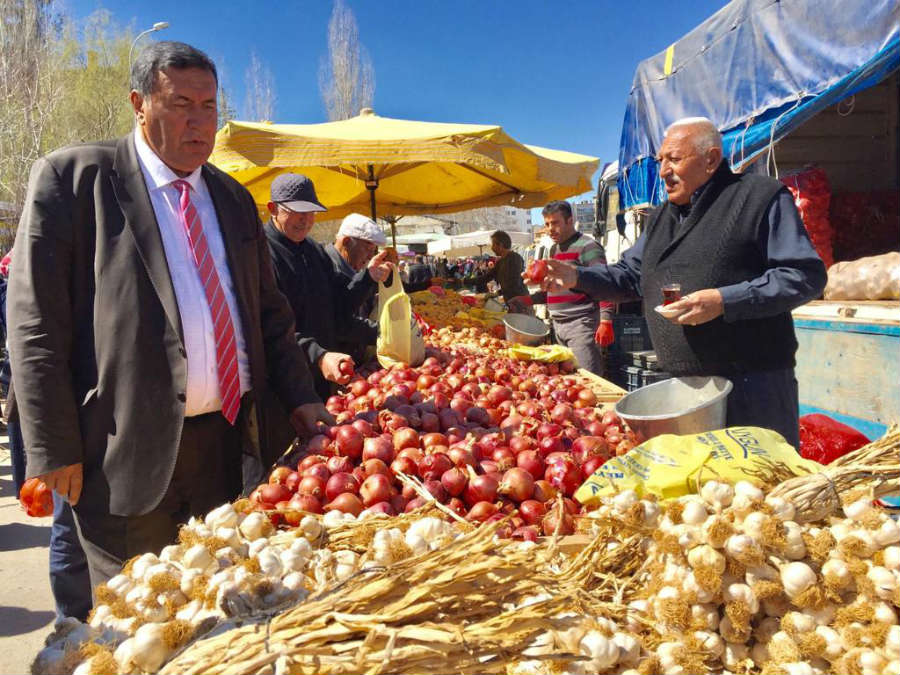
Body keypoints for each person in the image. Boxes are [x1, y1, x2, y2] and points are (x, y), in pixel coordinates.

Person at [8, 41, 332, 591]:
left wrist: (303, 398)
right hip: (122, 451)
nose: (199, 122)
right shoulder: (75, 180)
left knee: (219, 609)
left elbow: (270, 315)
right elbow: (35, 324)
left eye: (209, 107)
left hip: (226, 449)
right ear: (139, 104)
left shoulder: (232, 199)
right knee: (138, 619)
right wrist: (52, 446)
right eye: (181, 104)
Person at [540, 117, 827, 448]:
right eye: (661, 160)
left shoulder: (758, 197)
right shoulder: (662, 217)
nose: (662, 171)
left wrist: (724, 301)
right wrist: (576, 277)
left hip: (753, 385)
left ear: (710, 159)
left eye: (674, 159)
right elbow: (630, 275)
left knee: (761, 486)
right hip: (686, 387)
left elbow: (805, 274)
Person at [263, 175, 391, 402]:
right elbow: (270, 325)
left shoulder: (313, 249)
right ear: (273, 209)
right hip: (283, 381)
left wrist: (368, 277)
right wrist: (318, 356)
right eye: (298, 212)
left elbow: (339, 304)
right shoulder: (261, 253)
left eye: (311, 213)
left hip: (324, 373)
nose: (306, 220)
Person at [524, 201, 615, 376]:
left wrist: (606, 320)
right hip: (557, 325)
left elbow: (605, 282)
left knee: (588, 378)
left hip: (581, 324)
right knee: (569, 380)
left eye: (555, 223)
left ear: (569, 220)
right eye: (547, 224)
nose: (550, 229)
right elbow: (553, 289)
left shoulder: (587, 246)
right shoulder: (553, 251)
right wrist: (529, 299)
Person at [325, 213, 387, 362]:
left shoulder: (353, 269)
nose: (369, 258)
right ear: (346, 241)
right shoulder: (325, 269)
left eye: (373, 252)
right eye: (367, 250)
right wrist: (384, 333)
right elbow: (340, 323)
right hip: (335, 364)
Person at [472, 230, 532, 314]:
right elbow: (487, 277)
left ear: (500, 245)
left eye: (493, 244)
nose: (492, 248)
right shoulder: (500, 262)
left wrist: (497, 293)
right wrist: (463, 281)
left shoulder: (514, 258)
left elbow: (513, 283)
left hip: (521, 304)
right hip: (511, 303)